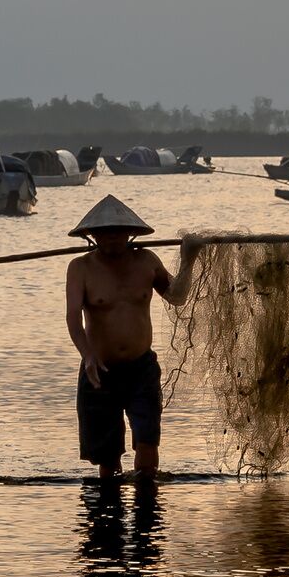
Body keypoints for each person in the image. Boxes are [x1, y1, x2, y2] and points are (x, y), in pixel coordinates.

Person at [65, 195, 185, 483]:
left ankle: (146, 499)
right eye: (104, 233)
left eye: (118, 232)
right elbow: (72, 317)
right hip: (100, 370)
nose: (112, 238)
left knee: (147, 439)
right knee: (106, 459)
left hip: (141, 368)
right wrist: (88, 355)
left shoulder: (147, 261)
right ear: (92, 236)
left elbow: (177, 297)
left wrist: (189, 258)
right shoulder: (80, 267)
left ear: (130, 233)